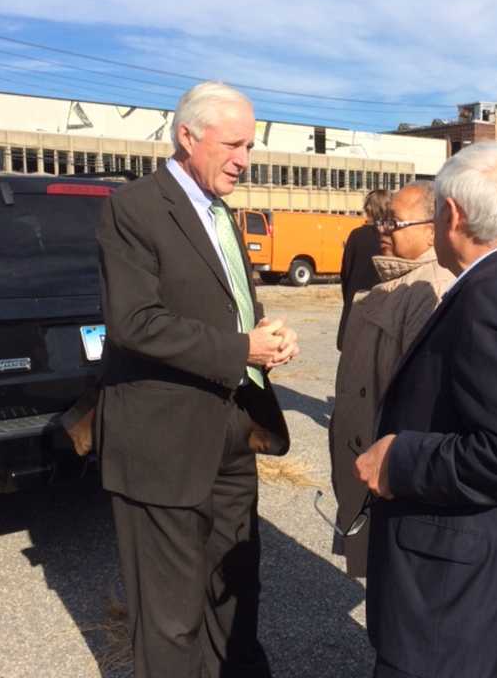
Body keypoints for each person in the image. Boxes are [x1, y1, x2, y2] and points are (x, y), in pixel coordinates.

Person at [354, 141, 497, 678]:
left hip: (452, 596)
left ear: (453, 215)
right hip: (495, 574)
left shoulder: (491, 297)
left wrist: (402, 458)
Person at [96, 82, 299, 678]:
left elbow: (219, 305)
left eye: (250, 145)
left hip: (230, 430)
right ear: (188, 136)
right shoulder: (133, 205)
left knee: (235, 588)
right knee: (170, 616)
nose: (244, 158)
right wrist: (241, 347)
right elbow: (134, 323)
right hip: (161, 443)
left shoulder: (220, 211)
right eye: (233, 143)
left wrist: (264, 338)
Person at [328, 181, 454, 577]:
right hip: (373, 462)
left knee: (400, 578)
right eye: (382, 220)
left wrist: (396, 463)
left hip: (391, 471)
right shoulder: (396, 279)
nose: (382, 229)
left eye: (394, 222)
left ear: (432, 229)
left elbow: (421, 402)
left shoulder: (429, 288)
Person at [336, 189, 391, 351]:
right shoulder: (392, 237)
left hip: (355, 308)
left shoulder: (356, 235)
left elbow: (345, 274)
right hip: (382, 312)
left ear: (369, 209)